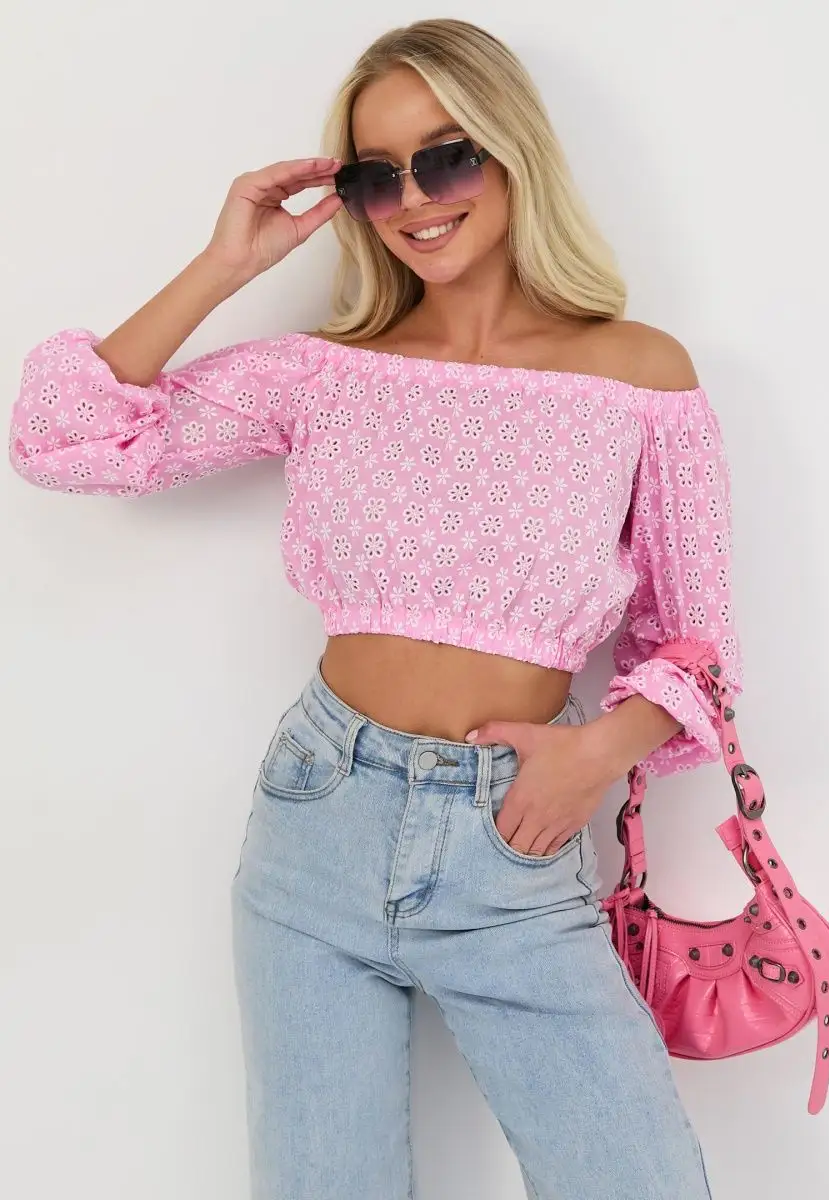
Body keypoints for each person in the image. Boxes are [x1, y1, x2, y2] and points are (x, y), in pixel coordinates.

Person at [8, 17, 741, 1200]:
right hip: (319, 824)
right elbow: (59, 437)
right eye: (376, 176)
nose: (415, 200)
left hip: (515, 845)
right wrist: (226, 264)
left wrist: (594, 756)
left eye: (447, 157)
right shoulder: (326, 372)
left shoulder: (638, 375)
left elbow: (697, 645)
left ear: (511, 151)